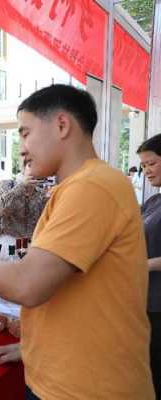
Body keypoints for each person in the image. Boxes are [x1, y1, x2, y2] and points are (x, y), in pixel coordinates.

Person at [0, 84, 154, 399]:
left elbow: (28, 284)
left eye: (25, 133)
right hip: (66, 374)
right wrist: (35, 346)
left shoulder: (92, 187)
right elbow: (69, 288)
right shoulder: (75, 187)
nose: (21, 147)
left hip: (89, 388)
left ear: (62, 125)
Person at [137, 133, 161, 397]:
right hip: (144, 301)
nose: (146, 171)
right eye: (143, 166)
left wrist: (144, 265)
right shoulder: (154, 201)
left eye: (151, 163)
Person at [0, 159, 48, 256]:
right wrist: (20, 187)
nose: (35, 170)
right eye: (30, 166)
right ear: (23, 168)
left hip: (32, 247)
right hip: (8, 244)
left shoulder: (42, 194)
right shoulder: (6, 185)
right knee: (8, 269)